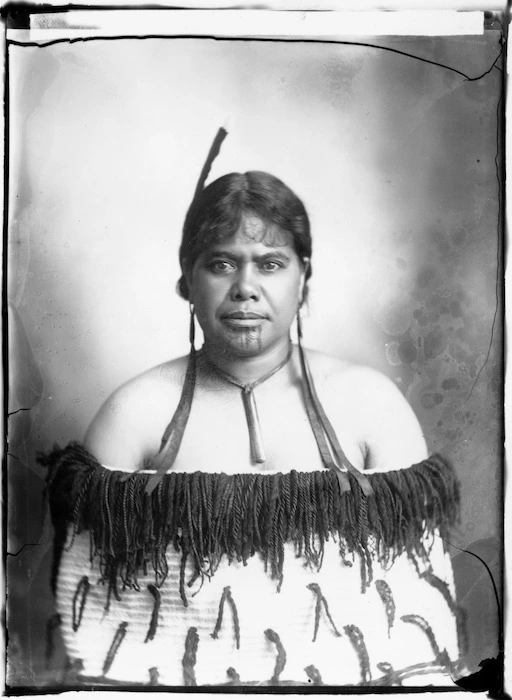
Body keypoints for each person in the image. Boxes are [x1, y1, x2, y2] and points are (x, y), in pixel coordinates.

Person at [42, 143, 464, 687]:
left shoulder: (371, 406)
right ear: (187, 280)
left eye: (270, 264)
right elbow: (92, 626)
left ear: (302, 278)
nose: (246, 288)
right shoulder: (134, 414)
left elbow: (417, 621)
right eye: (221, 263)